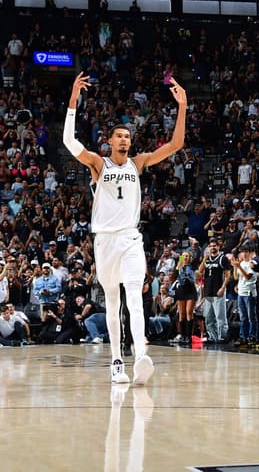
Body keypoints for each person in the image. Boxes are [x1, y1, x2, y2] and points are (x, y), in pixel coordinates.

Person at [63, 72, 187, 385]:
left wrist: (183, 107)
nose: (124, 140)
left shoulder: (139, 162)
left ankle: (141, 354)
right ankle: (117, 361)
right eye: (119, 137)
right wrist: (73, 103)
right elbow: (68, 142)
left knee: (134, 294)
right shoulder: (98, 164)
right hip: (104, 241)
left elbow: (176, 143)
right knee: (113, 302)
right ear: (110, 142)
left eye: (128, 138)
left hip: (131, 237)